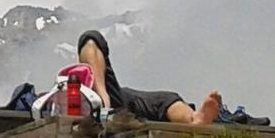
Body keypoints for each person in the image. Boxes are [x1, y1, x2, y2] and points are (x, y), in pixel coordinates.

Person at [77, 29, 221, 125]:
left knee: (166, 99)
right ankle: (103, 103)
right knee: (91, 38)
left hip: (121, 102)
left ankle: (194, 119)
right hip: (103, 101)